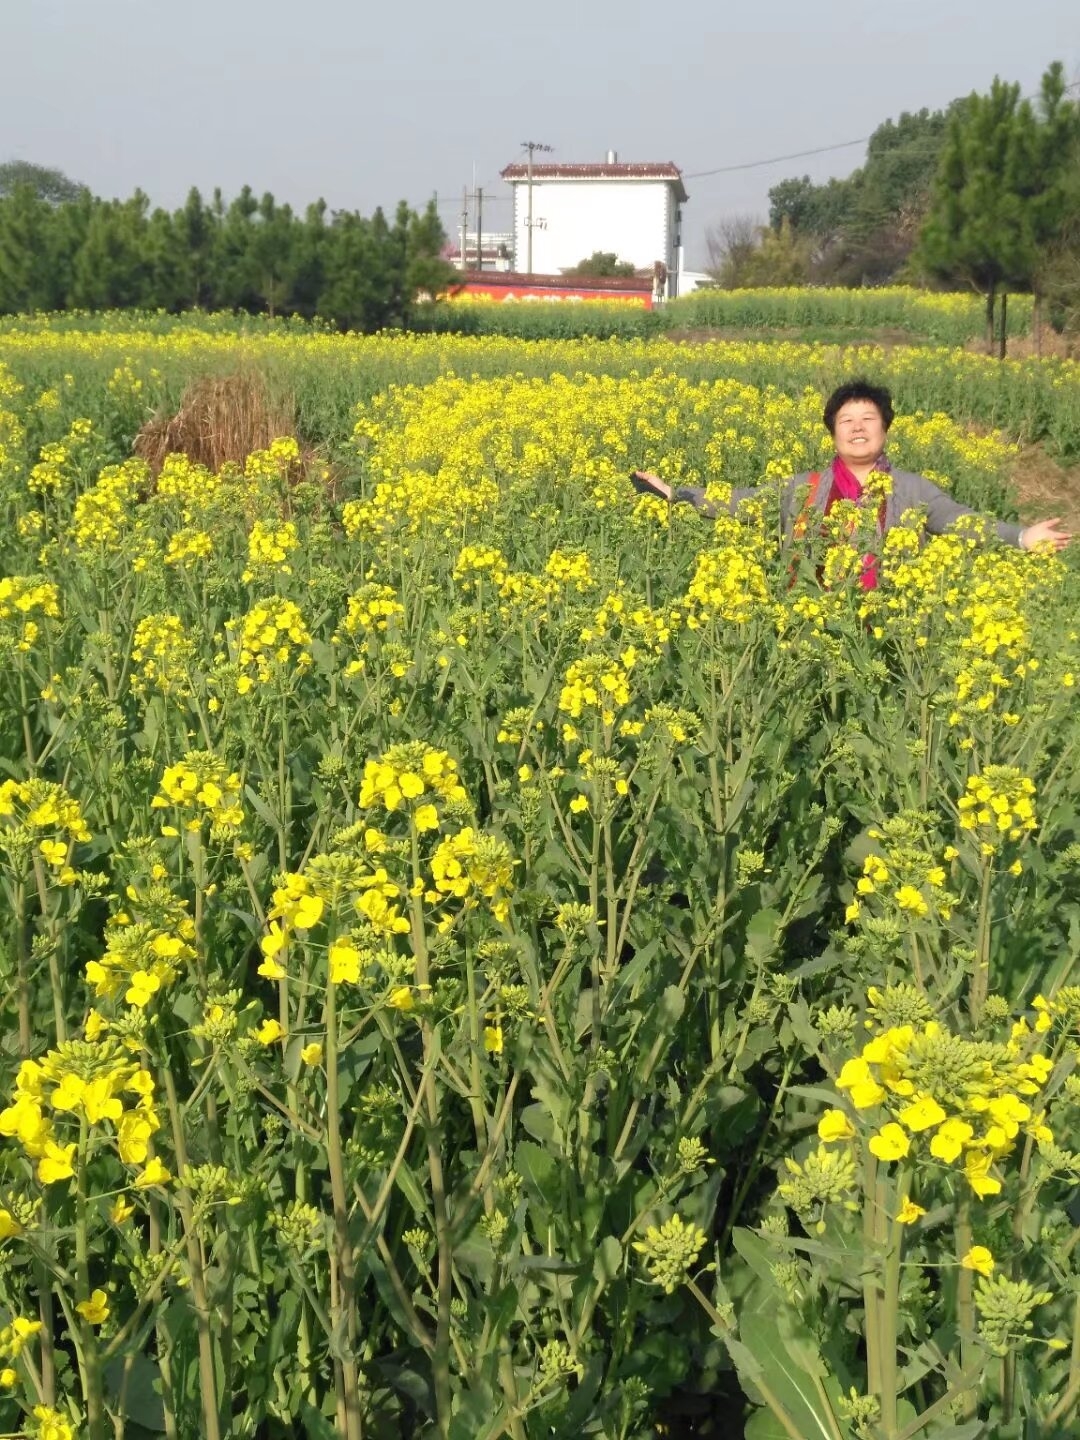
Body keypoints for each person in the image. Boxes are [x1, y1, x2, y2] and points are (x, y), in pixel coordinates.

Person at [630, 379, 1073, 556]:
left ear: (885, 429)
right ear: (833, 433)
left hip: (892, 626)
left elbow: (960, 522)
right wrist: (678, 493)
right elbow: (744, 503)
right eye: (847, 421)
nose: (858, 429)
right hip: (811, 624)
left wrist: (1020, 536)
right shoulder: (806, 487)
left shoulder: (915, 490)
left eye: (868, 420)